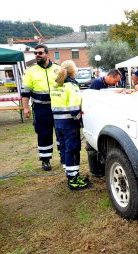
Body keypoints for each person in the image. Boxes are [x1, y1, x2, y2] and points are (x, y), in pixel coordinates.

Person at [50, 60, 89, 190]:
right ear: (73, 72)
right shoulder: (72, 87)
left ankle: (69, 173)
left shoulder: (55, 85)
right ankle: (73, 180)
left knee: (64, 148)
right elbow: (74, 109)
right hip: (69, 124)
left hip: (58, 123)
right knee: (72, 150)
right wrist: (81, 122)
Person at [21, 44, 60, 171]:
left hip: (57, 107)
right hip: (40, 109)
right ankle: (45, 160)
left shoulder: (58, 69)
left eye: (40, 53)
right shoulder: (31, 71)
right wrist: (26, 108)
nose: (37, 55)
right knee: (44, 134)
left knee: (61, 132)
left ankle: (64, 156)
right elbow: (25, 92)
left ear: (47, 54)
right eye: (35, 53)